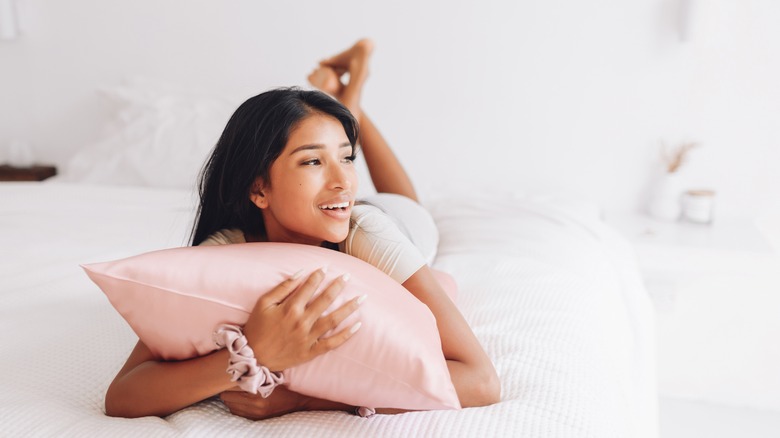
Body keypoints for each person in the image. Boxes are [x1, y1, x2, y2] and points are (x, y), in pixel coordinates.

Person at [105, 39, 500, 420]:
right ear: (258, 188)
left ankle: (352, 98)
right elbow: (123, 396)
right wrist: (250, 354)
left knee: (410, 205)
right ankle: (345, 98)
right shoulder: (225, 253)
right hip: (340, 213)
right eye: (312, 162)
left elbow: (480, 382)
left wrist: (303, 401)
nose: (344, 179)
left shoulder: (367, 233)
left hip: (396, 224)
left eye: (347, 158)